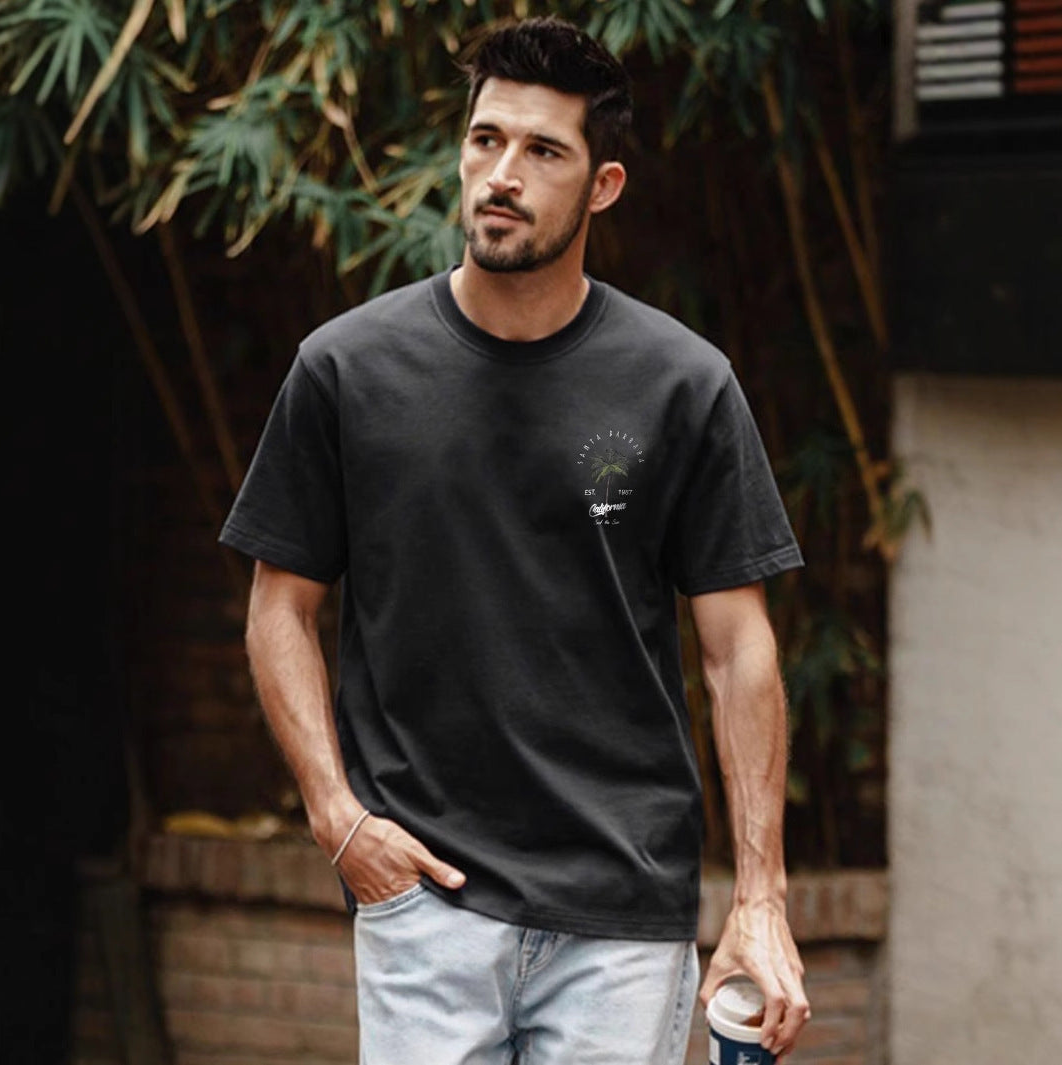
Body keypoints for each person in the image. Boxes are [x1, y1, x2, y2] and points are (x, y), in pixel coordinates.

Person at [220, 16, 811, 1064]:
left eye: (543, 151)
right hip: (423, 902)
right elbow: (280, 608)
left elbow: (738, 648)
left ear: (603, 186)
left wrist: (760, 897)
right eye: (486, 140)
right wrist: (336, 818)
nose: (502, 174)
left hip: (622, 914)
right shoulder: (347, 370)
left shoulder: (682, 383)